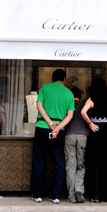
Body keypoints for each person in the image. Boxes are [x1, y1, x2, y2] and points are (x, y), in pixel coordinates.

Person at [31, 69, 75, 204]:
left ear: (52, 78)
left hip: (42, 128)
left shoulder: (45, 88)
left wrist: (50, 123)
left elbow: (39, 107)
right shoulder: (69, 93)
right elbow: (70, 115)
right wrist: (58, 127)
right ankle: (55, 195)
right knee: (58, 163)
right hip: (59, 132)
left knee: (39, 161)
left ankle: (38, 194)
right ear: (64, 80)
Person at [81, 78, 107, 202]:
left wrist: (90, 123)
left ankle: (95, 195)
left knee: (94, 164)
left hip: (95, 133)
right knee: (106, 164)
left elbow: (83, 112)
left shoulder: (91, 100)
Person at [64, 86, 87, 203]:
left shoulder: (67, 104)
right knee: (81, 165)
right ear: (80, 95)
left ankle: (71, 196)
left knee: (70, 166)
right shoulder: (84, 104)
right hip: (83, 136)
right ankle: (79, 190)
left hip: (69, 136)